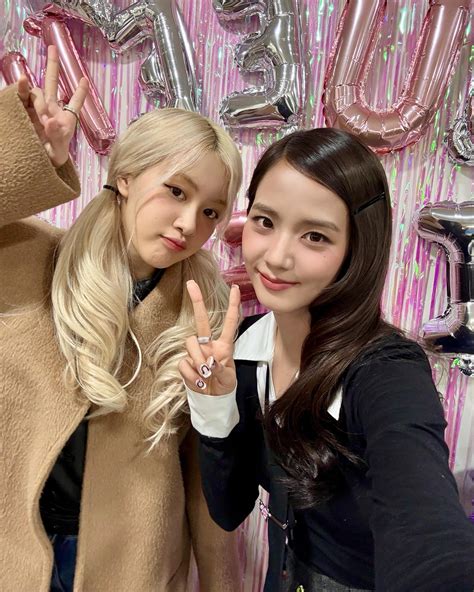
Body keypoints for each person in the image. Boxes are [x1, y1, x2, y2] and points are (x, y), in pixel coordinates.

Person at [179, 128, 474, 591]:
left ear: (357, 247)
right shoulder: (247, 347)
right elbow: (229, 509)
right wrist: (214, 405)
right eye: (265, 221)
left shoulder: (386, 371)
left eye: (315, 236)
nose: (277, 257)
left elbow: (426, 526)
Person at [0, 46, 243, 591]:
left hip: (133, 567)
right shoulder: (26, 258)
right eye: (176, 191)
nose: (189, 224)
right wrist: (21, 152)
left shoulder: (201, 313)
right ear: (127, 176)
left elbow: (204, 477)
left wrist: (220, 583)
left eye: (210, 211)